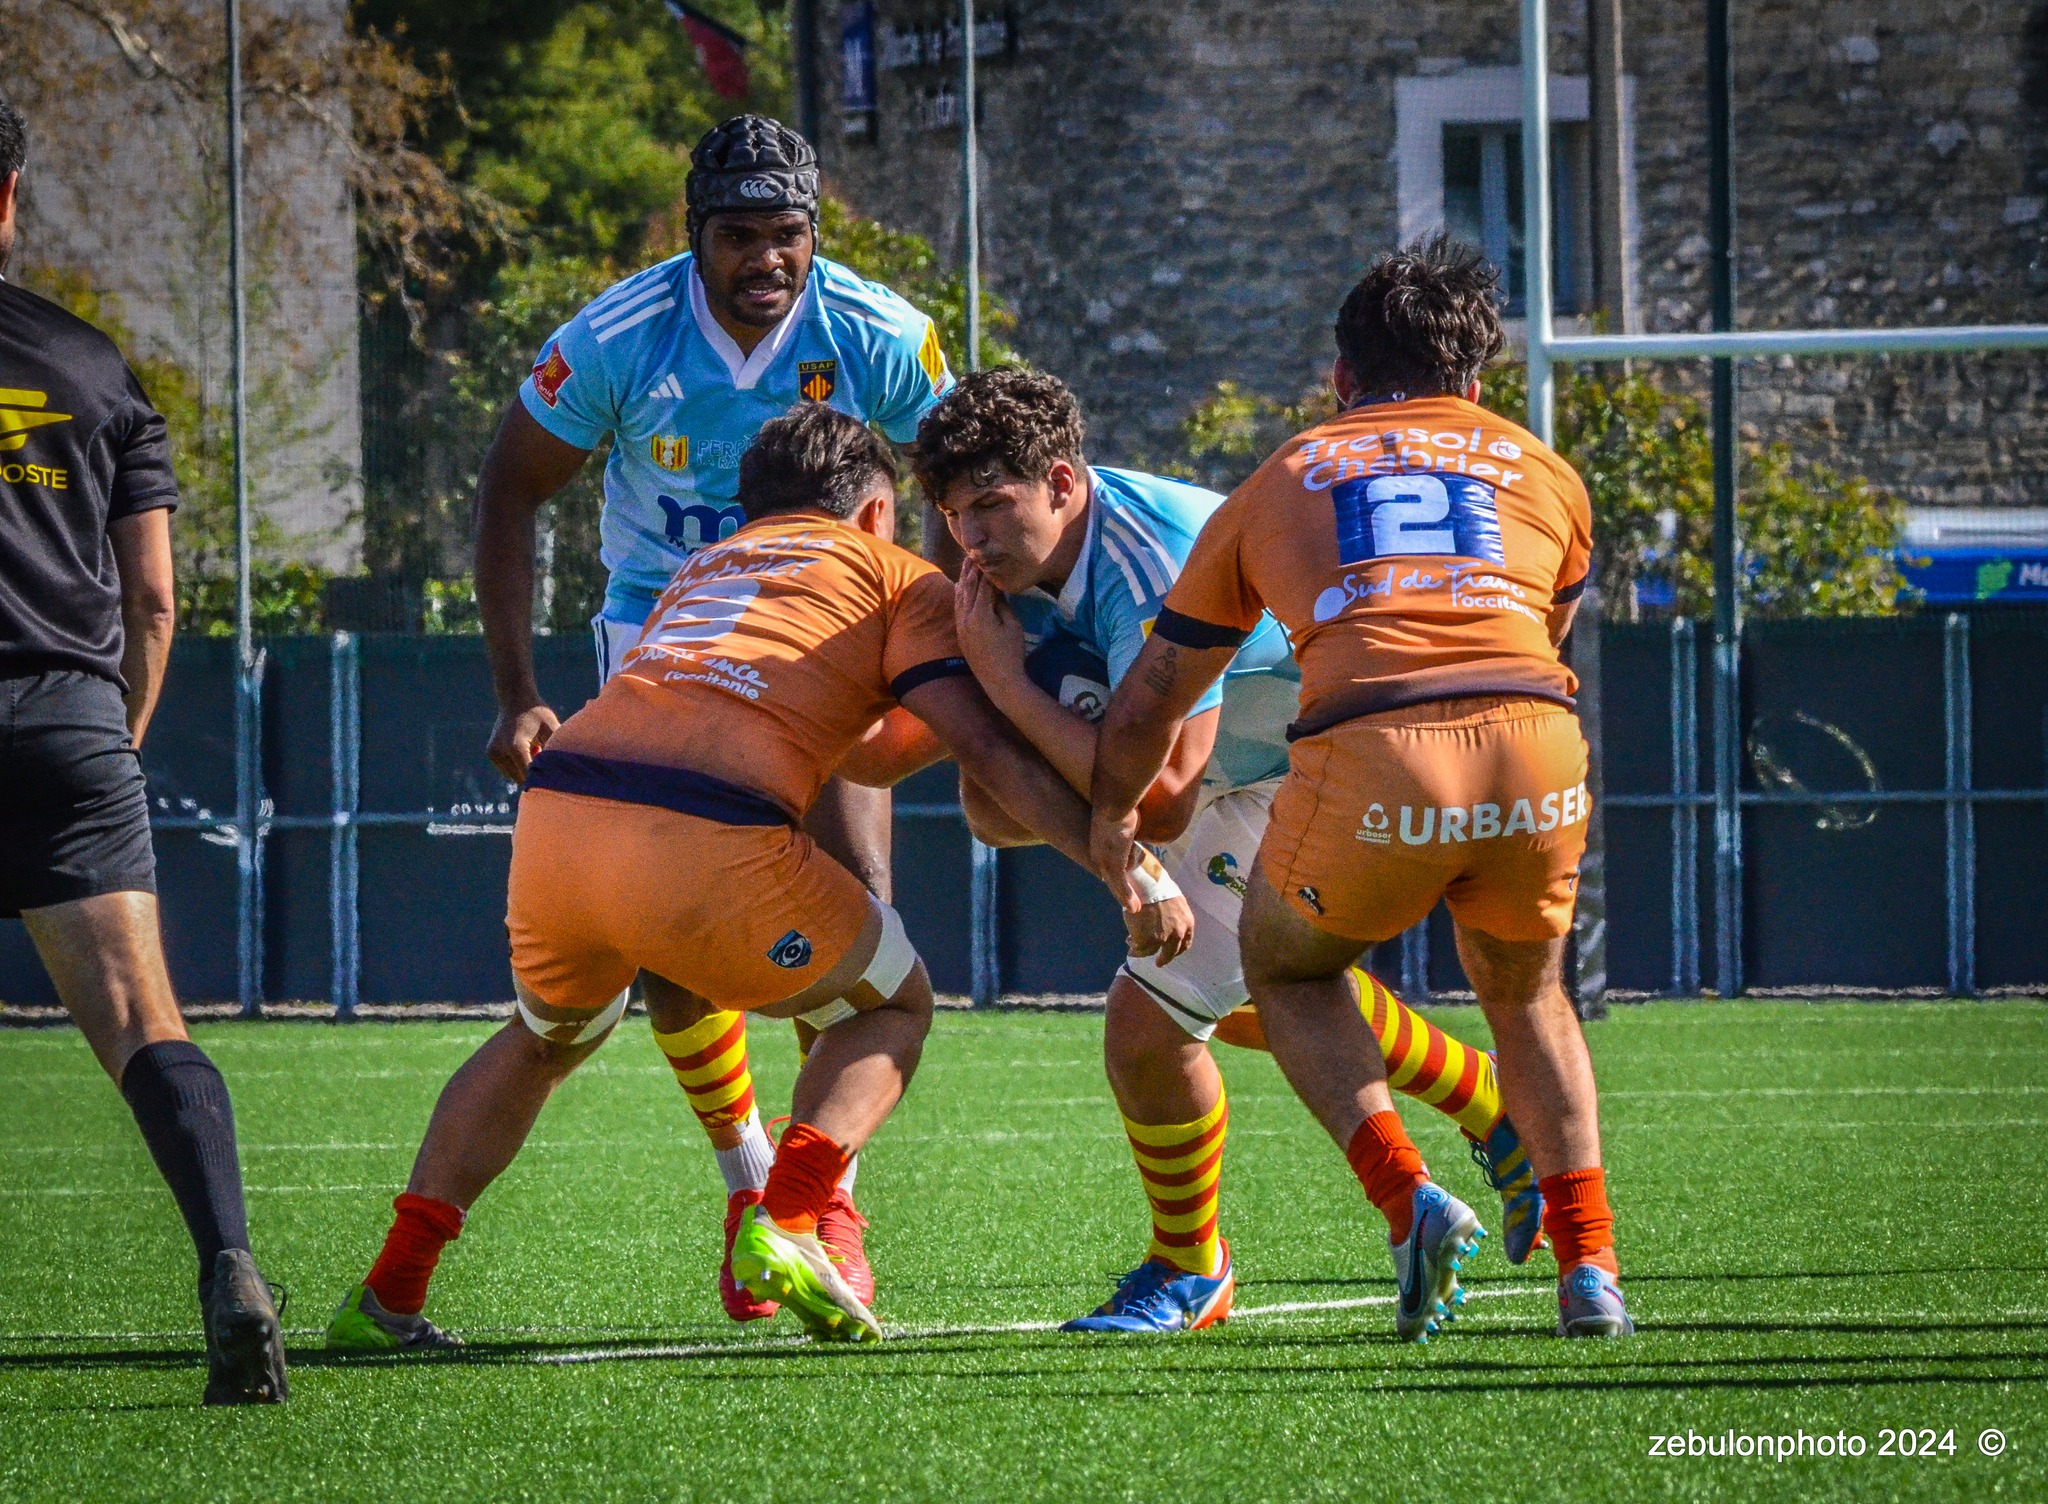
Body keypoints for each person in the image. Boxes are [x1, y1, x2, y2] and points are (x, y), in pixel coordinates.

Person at [328, 406, 1184, 1349]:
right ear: (872, 513)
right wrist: (1125, 863)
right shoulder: (899, 578)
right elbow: (989, 749)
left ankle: (391, 1295)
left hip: (562, 810)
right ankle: (788, 1218)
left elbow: (863, 747)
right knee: (889, 1007)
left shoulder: (703, 571)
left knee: (539, 1043)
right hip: (709, 830)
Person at [913, 368, 1541, 1336]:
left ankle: (1198, 1266)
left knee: (1156, 1021)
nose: (974, 537)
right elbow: (991, 806)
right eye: (955, 514)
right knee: (1241, 1002)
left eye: (991, 505)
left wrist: (1006, 687)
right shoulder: (999, 573)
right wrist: (1114, 853)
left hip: (1328, 748)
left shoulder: (1142, 561)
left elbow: (1157, 798)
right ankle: (1479, 1112)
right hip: (1255, 763)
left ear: (1062, 480)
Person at [1088, 235, 1634, 1341]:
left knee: (1284, 969)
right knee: (1528, 994)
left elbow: (1155, 691)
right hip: (1536, 742)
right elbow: (1539, 632)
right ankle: (1592, 1271)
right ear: (1476, 381)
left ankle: (1406, 1194)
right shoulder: (1543, 467)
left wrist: (1106, 815)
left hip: (1373, 746)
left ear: (1338, 376)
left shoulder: (1283, 474)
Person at [472, 114, 955, 1322]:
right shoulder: (617, 336)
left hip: (834, 634)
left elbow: (957, 471)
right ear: (696, 235)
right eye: (736, 235)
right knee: (680, 940)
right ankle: (756, 1191)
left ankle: (819, 1208)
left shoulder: (883, 334)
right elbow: (510, 486)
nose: (763, 260)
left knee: (853, 914)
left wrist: (946, 628)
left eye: (784, 234)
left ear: (813, 233)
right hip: (662, 628)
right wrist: (518, 690)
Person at [0, 96, 287, 1401]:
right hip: (67, 718)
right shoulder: (94, 367)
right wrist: (106, 738)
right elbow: (156, 602)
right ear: (10, 199)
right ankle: (229, 1262)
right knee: (139, 1021)